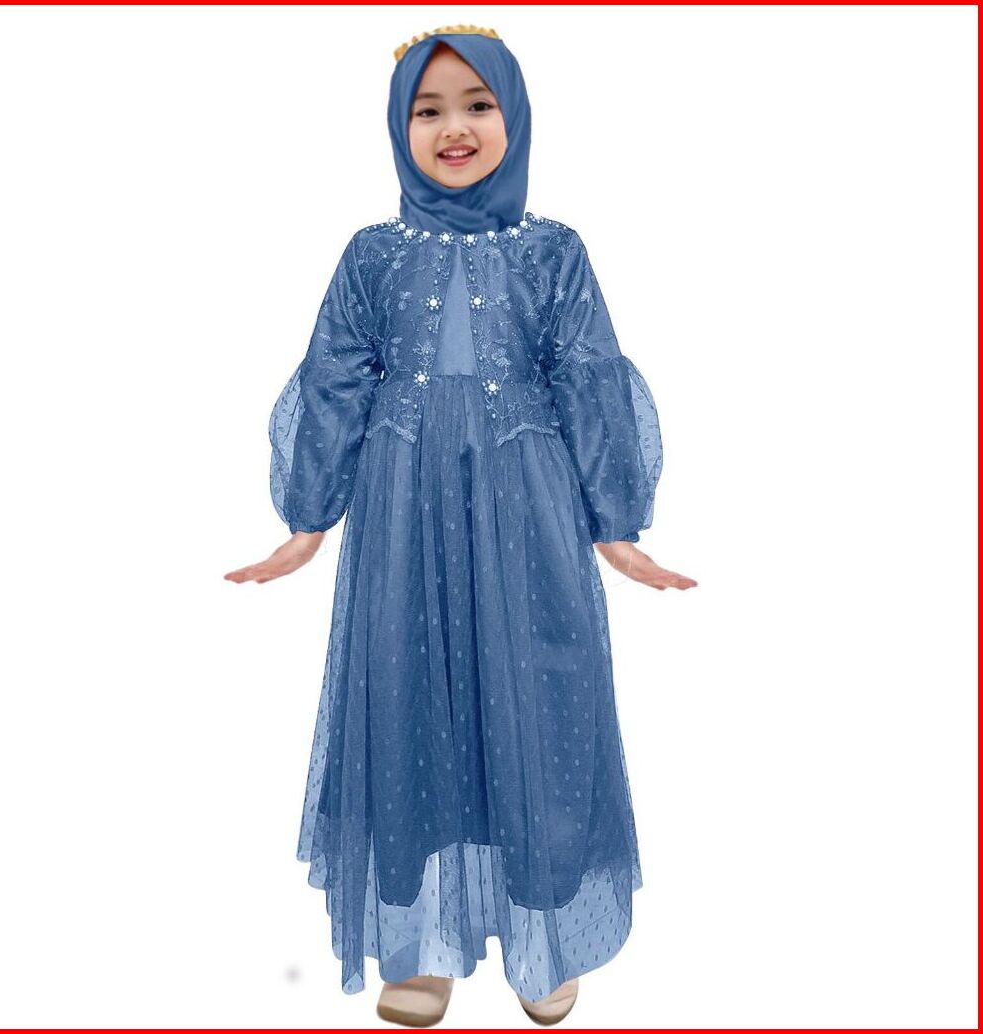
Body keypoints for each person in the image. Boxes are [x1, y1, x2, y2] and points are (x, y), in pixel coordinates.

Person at [225, 23, 697, 1028]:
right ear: (397, 129)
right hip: (402, 519)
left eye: (478, 104)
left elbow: (590, 375)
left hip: (530, 517)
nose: (454, 127)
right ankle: (418, 945)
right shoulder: (370, 255)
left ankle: (542, 932)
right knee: (407, 702)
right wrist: (306, 518)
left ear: (514, 116)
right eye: (427, 109)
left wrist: (617, 525)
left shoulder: (553, 251)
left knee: (541, 706)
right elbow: (333, 376)